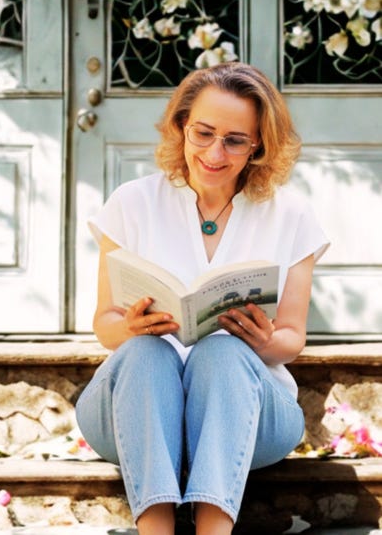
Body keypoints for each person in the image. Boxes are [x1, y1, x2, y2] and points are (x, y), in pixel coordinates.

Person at [76, 62, 329, 535]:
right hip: (135, 415)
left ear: (258, 144)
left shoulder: (291, 215)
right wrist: (128, 327)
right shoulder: (132, 202)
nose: (215, 153)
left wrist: (263, 341)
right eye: (204, 134)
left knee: (222, 350)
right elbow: (104, 325)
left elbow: (292, 339)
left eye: (235, 140)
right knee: (145, 351)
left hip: (252, 416)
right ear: (181, 127)